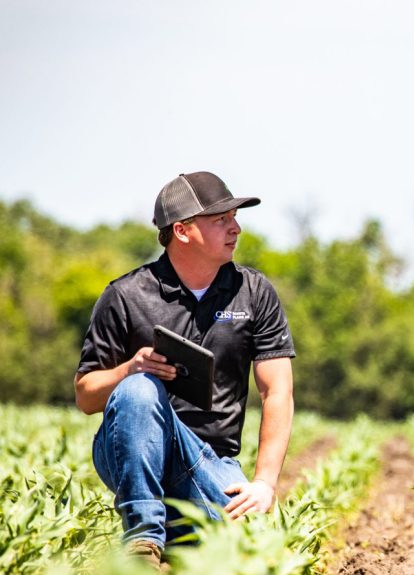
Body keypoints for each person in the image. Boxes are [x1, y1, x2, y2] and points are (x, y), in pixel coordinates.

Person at [74, 171, 296, 567]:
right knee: (139, 388)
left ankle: (176, 529)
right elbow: (86, 395)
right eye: (221, 220)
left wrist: (264, 483)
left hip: (212, 461)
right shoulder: (124, 296)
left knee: (255, 544)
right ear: (182, 230)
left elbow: (277, 391)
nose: (236, 228)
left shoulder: (255, 291)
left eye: (234, 217)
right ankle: (142, 543)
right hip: (136, 456)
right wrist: (129, 369)